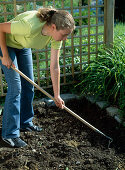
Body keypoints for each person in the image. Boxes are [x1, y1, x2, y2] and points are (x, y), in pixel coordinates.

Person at [0, 7, 75, 148]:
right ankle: (9, 135)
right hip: (5, 43)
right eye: (64, 34)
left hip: (22, 45)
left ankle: (25, 122)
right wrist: (5, 55)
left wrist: (56, 95)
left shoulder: (56, 37)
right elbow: (0, 29)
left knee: (29, 85)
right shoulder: (29, 26)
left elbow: (54, 66)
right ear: (53, 27)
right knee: (16, 87)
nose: (65, 39)